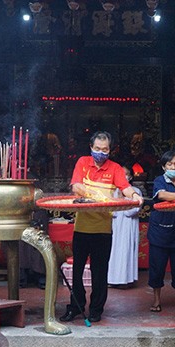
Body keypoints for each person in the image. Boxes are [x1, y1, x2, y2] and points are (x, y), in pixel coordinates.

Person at [60, 131, 143, 323]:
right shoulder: (83, 162)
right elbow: (76, 186)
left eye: (104, 149)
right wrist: (96, 193)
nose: (100, 152)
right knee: (77, 271)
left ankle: (96, 309)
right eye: (97, 149)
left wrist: (134, 196)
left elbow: (125, 188)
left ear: (109, 150)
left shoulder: (114, 168)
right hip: (81, 228)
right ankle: (76, 306)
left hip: (103, 229)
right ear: (91, 148)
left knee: (99, 273)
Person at [147, 152, 175, 312]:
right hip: (160, 234)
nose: (174, 167)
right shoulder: (160, 181)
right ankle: (156, 301)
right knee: (157, 268)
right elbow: (162, 195)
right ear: (163, 167)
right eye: (170, 164)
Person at [108, 166, 142, 288]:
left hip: (128, 226)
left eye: (126, 174)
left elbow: (131, 211)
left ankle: (126, 280)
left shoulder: (135, 191)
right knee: (113, 251)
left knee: (126, 251)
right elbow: (111, 212)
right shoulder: (112, 191)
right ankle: (111, 280)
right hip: (115, 225)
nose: (124, 176)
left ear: (130, 177)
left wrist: (123, 200)